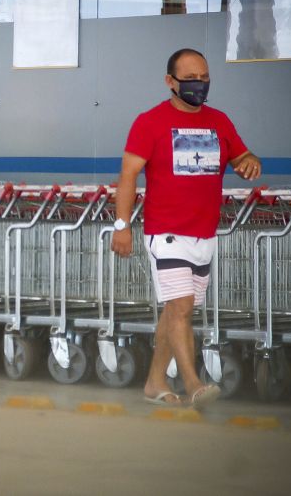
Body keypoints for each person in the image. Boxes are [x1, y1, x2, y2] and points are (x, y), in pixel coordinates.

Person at [111, 49, 262, 408]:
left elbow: (240, 155)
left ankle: (154, 381)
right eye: (191, 78)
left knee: (177, 311)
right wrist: (122, 225)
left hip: (204, 234)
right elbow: (128, 177)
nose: (200, 84)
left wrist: (249, 162)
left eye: (205, 77)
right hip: (166, 232)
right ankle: (194, 383)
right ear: (170, 82)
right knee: (180, 307)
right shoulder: (149, 122)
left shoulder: (219, 121)